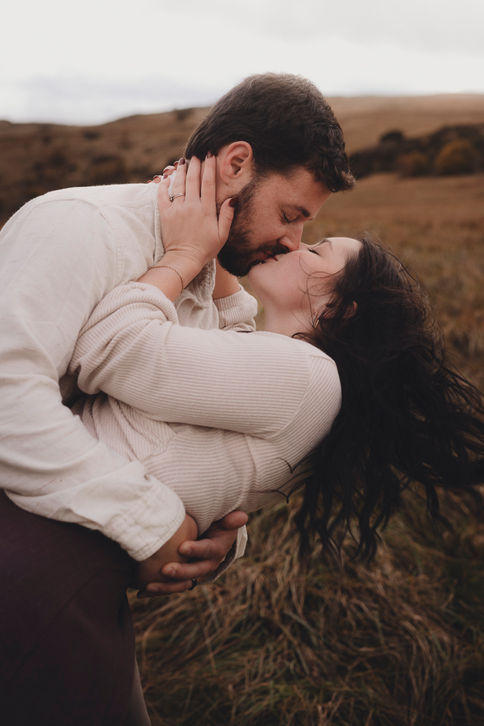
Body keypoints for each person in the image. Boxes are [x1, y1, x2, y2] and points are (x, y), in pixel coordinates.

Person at [0, 73, 354, 724]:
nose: (292, 241)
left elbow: (172, 441)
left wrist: (217, 542)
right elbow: (5, 398)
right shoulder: (83, 227)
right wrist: (152, 524)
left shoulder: (205, 285)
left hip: (77, 583)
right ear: (238, 163)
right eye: (292, 214)